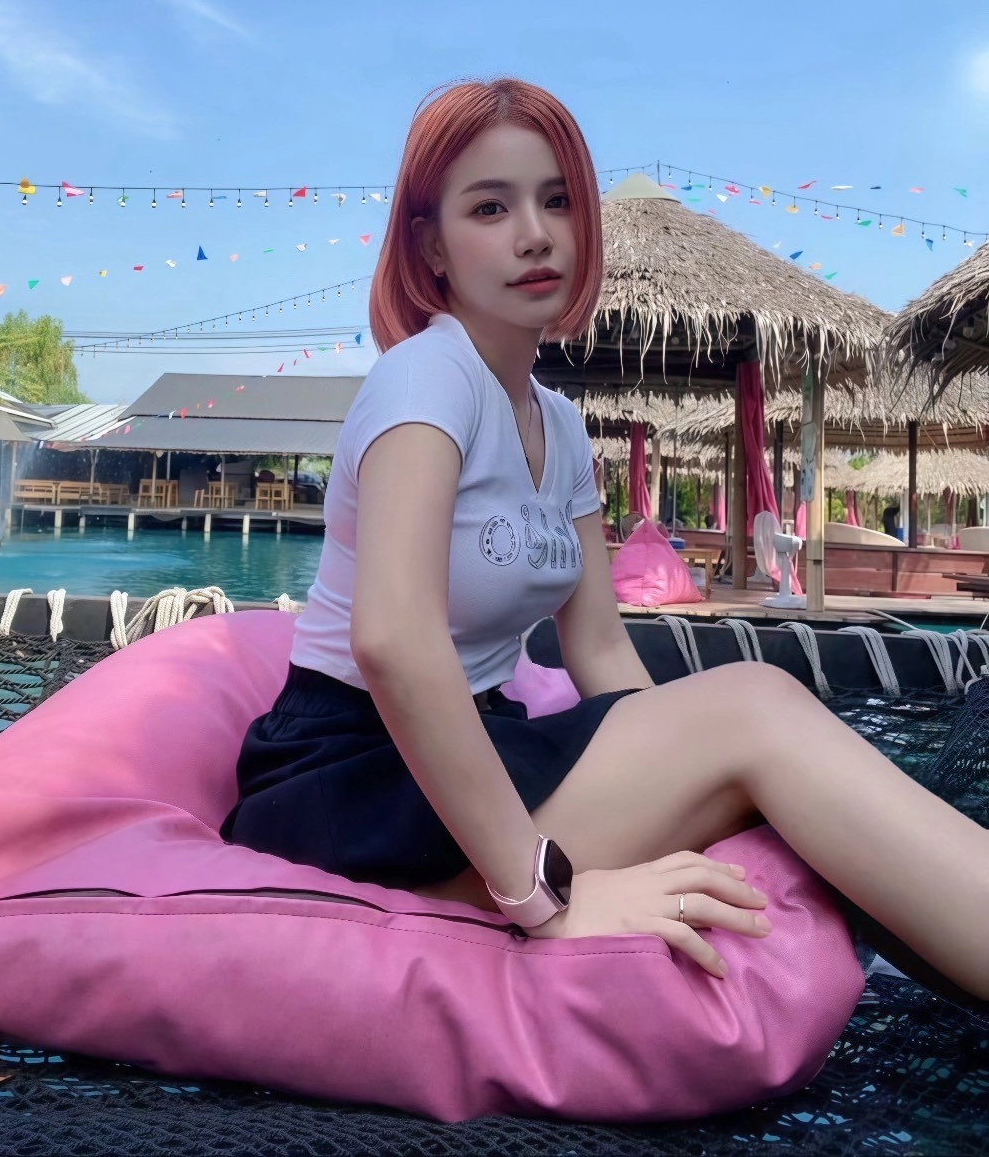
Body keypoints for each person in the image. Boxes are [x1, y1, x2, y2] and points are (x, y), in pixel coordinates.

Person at [222, 78, 988, 1003]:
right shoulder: (427, 379)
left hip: (484, 746)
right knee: (758, 704)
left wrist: (674, 746)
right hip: (354, 777)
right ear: (431, 246)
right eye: (490, 208)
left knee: (757, 741)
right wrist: (542, 896)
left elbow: (599, 648)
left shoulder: (559, 422)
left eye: (556, 201)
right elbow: (392, 640)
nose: (534, 234)